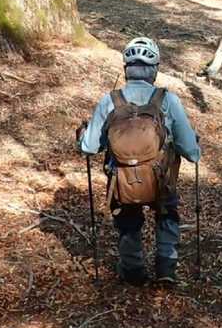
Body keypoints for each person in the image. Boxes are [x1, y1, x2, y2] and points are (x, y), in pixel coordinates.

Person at [79, 37, 201, 286]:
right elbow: (191, 151)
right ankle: (166, 267)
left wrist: (83, 136)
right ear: (154, 70)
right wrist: (194, 148)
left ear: (126, 68)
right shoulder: (168, 100)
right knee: (167, 213)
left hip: (122, 181)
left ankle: (132, 269)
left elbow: (89, 147)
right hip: (160, 179)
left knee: (127, 219)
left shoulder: (110, 101)